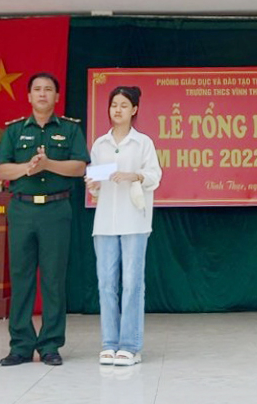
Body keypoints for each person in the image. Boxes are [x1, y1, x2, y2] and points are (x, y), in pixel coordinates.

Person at [0, 72, 90, 366]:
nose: (43, 94)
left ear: (57, 97)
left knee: (53, 279)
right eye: (37, 89)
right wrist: (27, 169)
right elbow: (2, 170)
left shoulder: (70, 130)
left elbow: (79, 167)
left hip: (56, 211)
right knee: (21, 278)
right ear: (29, 96)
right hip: (22, 210)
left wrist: (48, 164)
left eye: (49, 89)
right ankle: (21, 345)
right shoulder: (14, 130)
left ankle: (50, 345)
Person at [85, 86, 162, 367]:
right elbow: (95, 187)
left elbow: (155, 176)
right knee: (106, 283)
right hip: (104, 222)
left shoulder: (142, 143)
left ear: (134, 110)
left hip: (134, 221)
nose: (117, 110)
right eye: (113, 104)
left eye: (123, 105)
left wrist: (135, 175)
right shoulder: (100, 144)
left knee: (131, 284)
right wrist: (92, 186)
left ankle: (130, 345)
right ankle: (109, 343)